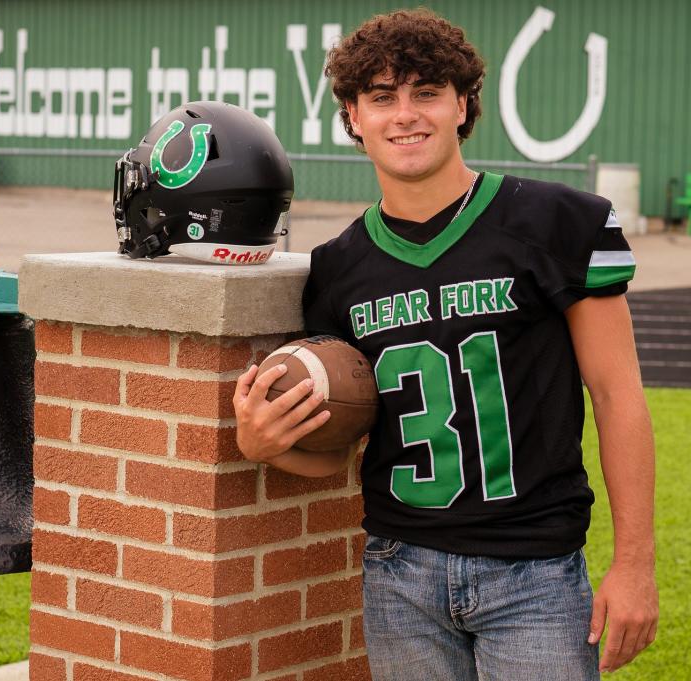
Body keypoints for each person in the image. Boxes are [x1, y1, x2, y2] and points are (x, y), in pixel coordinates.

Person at [233, 9, 657, 680]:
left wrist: (634, 563)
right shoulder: (338, 270)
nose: (405, 114)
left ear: (462, 104)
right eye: (381, 96)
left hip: (535, 574)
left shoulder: (556, 222)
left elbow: (617, 395)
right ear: (352, 115)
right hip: (400, 576)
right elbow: (344, 450)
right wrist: (270, 446)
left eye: (426, 91)